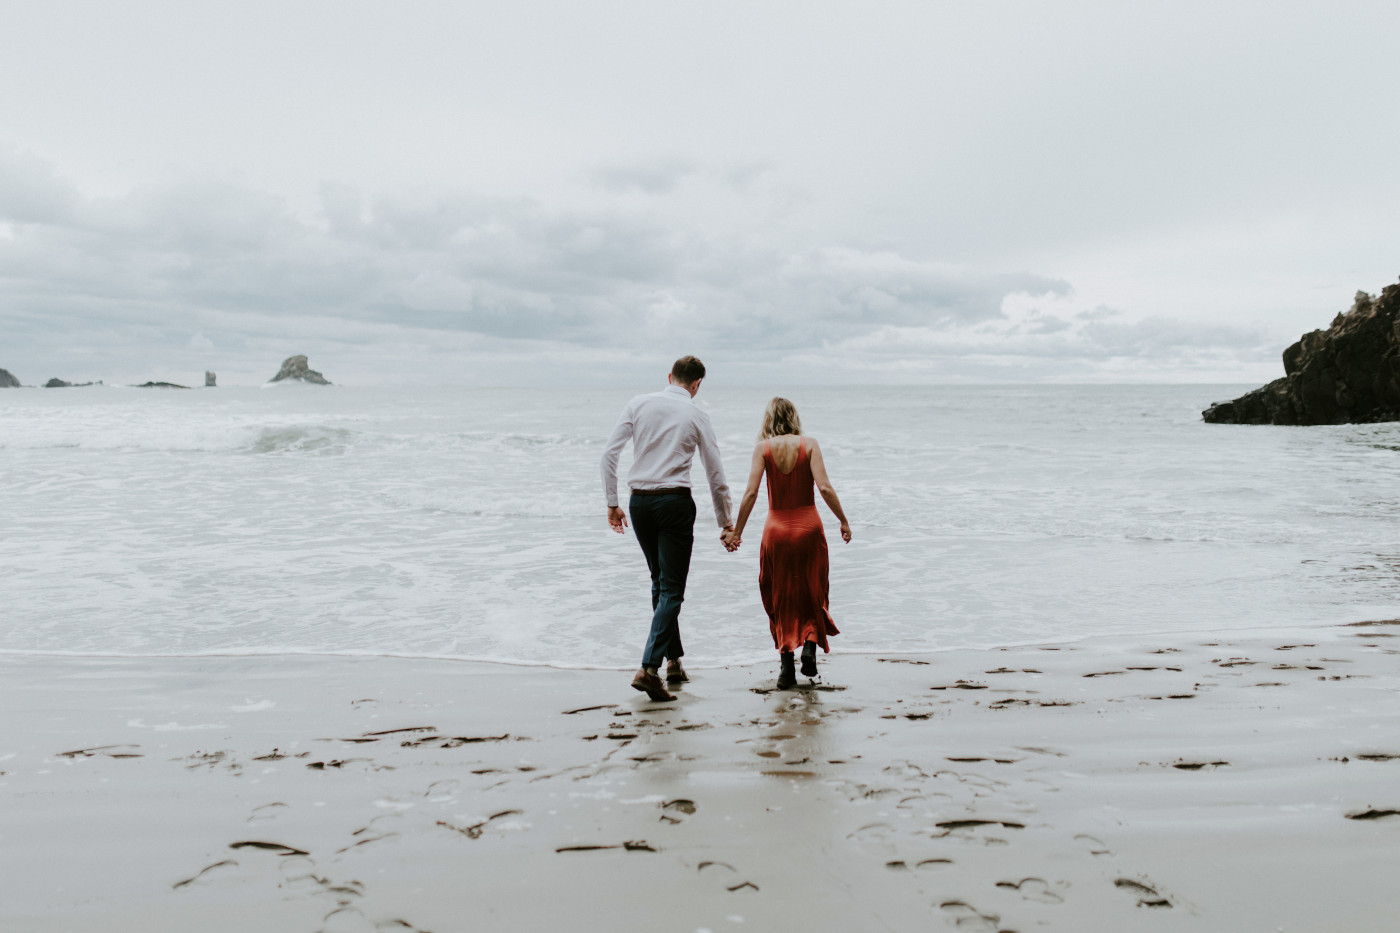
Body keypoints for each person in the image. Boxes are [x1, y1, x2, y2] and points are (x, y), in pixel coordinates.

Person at [601, 356, 735, 702]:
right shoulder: (697, 414)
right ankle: (649, 668)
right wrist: (726, 522)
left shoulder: (638, 403)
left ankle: (673, 662)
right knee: (672, 589)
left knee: (660, 583)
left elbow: (609, 454)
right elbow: (715, 472)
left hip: (640, 502)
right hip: (674, 502)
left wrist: (612, 502)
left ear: (669, 377)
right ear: (697, 384)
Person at [723, 397, 850, 689]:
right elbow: (825, 487)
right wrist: (843, 520)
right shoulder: (810, 444)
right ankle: (810, 644)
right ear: (794, 416)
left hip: (776, 530)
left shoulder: (762, 450)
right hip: (809, 528)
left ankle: (785, 669)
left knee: (779, 596)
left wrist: (737, 532)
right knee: (813, 591)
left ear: (768, 420)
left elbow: (751, 494)